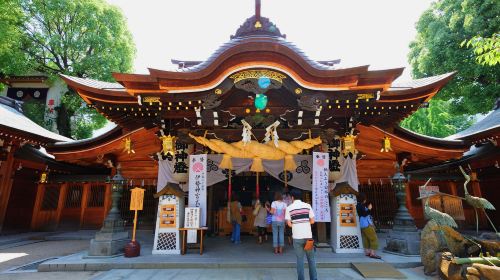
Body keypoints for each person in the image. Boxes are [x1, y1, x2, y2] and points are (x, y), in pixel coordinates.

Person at [285, 189, 317, 280]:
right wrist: (305, 223)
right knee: (311, 259)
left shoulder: (289, 208)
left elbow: (289, 224)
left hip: (297, 237)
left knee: (300, 260)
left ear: (292, 198)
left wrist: (297, 224)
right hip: (308, 237)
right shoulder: (307, 206)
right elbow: (313, 221)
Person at [356, 193, 381, 259]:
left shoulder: (358, 205)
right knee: (373, 238)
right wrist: (369, 209)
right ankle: (372, 253)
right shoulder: (361, 206)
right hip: (366, 224)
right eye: (365, 199)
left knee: (366, 238)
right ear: (363, 199)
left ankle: (367, 252)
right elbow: (365, 214)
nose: (365, 200)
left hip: (362, 224)